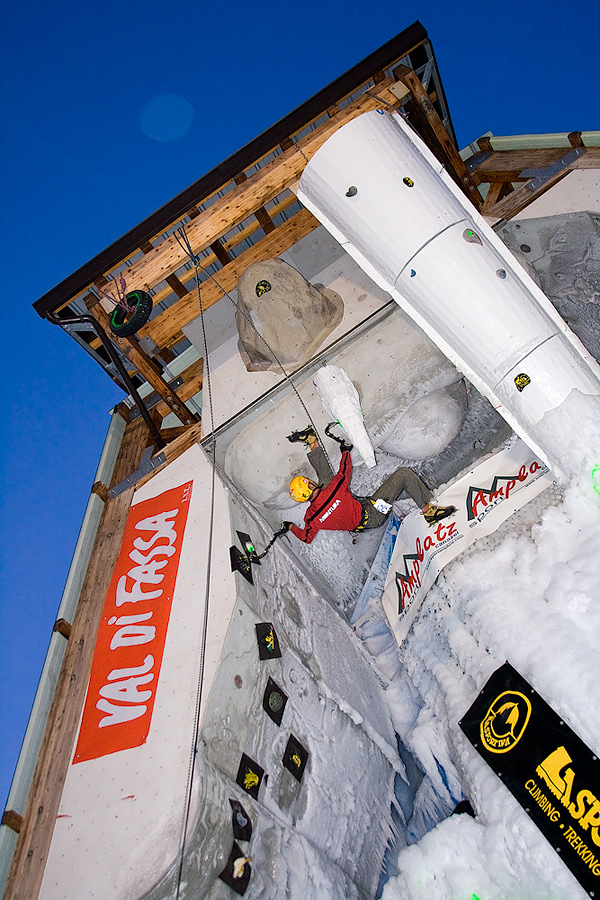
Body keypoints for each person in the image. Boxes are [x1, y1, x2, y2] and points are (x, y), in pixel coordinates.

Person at [281, 425, 455, 544]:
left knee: (325, 480)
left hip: (359, 522)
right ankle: (429, 511)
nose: (312, 482)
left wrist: (290, 526)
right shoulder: (335, 489)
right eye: (310, 482)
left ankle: (312, 441)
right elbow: (344, 472)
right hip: (374, 513)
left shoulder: (311, 518)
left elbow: (306, 538)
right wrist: (345, 451)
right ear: (309, 487)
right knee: (403, 474)